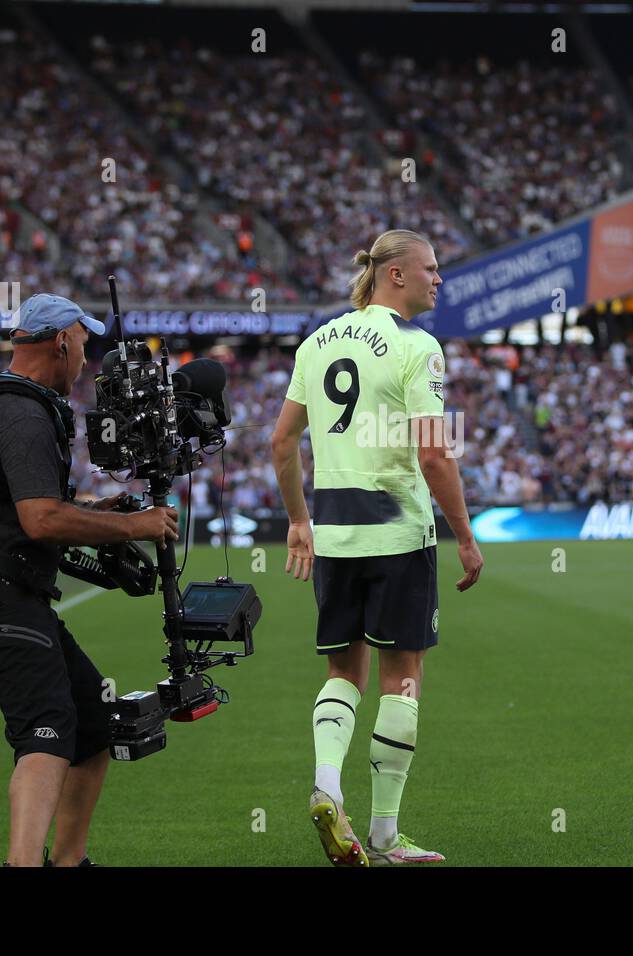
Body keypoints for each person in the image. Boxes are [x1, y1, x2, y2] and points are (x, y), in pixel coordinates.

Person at [0, 293, 179, 866]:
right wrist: (136, 525)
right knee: (46, 729)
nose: (86, 359)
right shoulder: (21, 410)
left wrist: (109, 512)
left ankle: (68, 861)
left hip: (3, 588)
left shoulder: (0, 397)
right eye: (83, 344)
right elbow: (40, 518)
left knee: (95, 725)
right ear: (62, 341)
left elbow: (30, 509)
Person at [271, 229, 483, 866]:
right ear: (395, 275)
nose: (438, 280)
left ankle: (326, 788)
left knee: (342, 673)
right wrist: (467, 538)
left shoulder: (316, 342)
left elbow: (282, 445)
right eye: (431, 269)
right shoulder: (417, 346)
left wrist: (298, 521)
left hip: (334, 535)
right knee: (404, 679)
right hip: (396, 532)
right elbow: (435, 454)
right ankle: (387, 835)